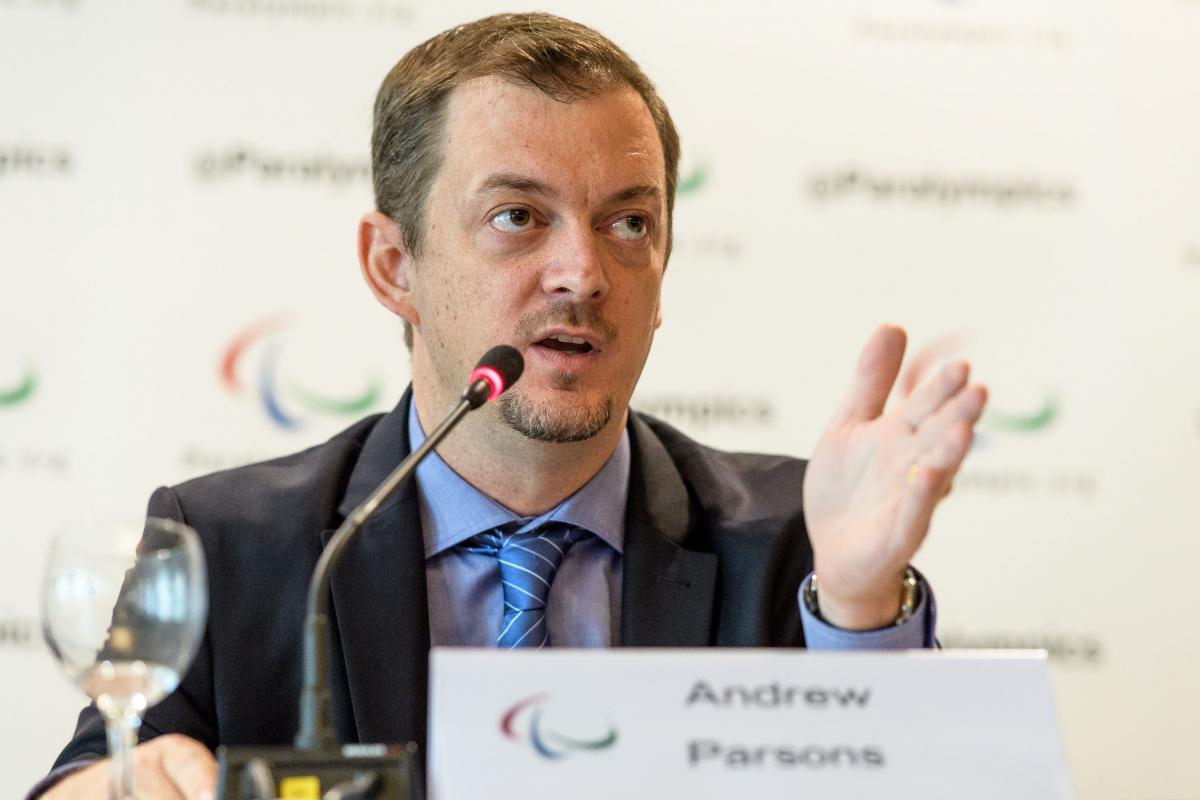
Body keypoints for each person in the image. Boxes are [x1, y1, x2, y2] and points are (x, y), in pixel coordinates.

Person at [35, 12, 986, 799]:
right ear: (393, 265)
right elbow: (100, 774)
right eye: (517, 217)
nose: (583, 272)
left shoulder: (795, 542)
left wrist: (860, 604)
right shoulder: (231, 544)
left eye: (629, 223)